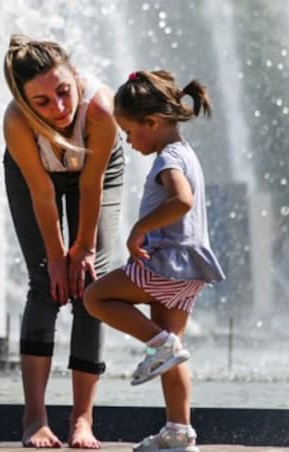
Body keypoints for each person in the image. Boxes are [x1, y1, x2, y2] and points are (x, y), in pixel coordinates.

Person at [83, 70, 226, 452]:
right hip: (191, 269)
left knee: (95, 298)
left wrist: (138, 229)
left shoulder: (168, 158)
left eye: (130, 132)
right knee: (172, 351)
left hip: (164, 261)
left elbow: (182, 201)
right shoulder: (186, 153)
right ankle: (179, 432)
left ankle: (158, 343)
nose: (128, 141)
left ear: (153, 122)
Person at [2, 34, 124, 448]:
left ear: (75, 76)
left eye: (63, 92)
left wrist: (82, 251)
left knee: (90, 285)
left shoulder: (100, 111)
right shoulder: (16, 123)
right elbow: (42, 194)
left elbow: (90, 187)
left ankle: (82, 420)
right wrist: (56, 258)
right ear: (23, 101)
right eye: (42, 102)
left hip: (97, 174)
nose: (58, 107)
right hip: (36, 177)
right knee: (45, 284)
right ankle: (34, 418)